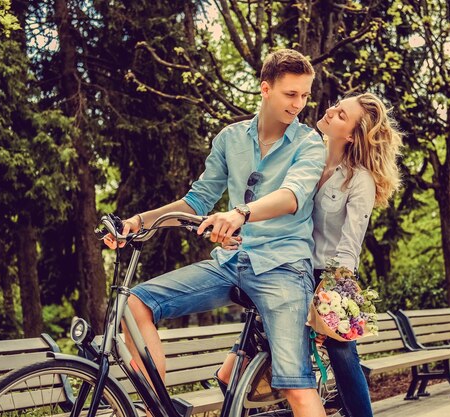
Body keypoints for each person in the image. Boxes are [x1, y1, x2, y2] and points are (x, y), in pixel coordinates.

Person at [104, 49, 327, 417]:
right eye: (291, 94)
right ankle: (157, 409)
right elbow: (197, 200)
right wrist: (138, 222)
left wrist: (241, 213)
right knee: (134, 303)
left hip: (284, 267)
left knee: (295, 385)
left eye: (305, 95)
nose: (299, 104)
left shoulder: (308, 143)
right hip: (232, 261)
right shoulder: (230, 139)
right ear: (265, 89)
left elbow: (291, 197)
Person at [217, 92, 403, 417]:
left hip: (331, 279)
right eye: (337, 105)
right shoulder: (303, 155)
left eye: (342, 115)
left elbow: (349, 246)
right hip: (284, 266)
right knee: (230, 373)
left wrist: (329, 297)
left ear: (351, 136)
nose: (331, 111)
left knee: (343, 355)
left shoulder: (359, 181)